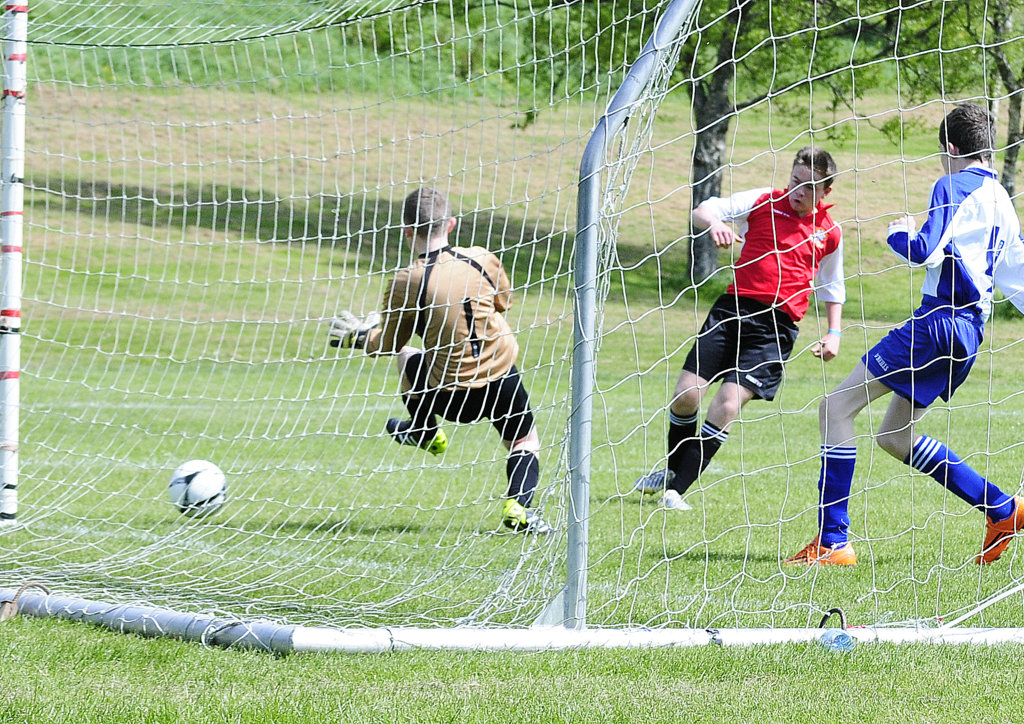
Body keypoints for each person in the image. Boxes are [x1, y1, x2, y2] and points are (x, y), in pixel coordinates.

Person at [787, 103, 1024, 567]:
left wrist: (899, 233)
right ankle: (1001, 509)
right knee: (895, 436)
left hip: (937, 323)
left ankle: (833, 541)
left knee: (835, 408)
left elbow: (924, 250)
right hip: (970, 333)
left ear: (951, 149)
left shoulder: (953, 184)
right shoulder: (1003, 201)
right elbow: (1016, 276)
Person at [329, 187, 552, 534]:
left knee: (407, 355)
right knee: (525, 442)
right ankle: (518, 505)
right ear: (450, 224)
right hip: (500, 378)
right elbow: (503, 302)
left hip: (448, 397)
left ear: (406, 231)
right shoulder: (481, 258)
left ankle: (424, 429)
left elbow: (387, 344)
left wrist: (359, 335)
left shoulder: (407, 280)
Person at [634, 146, 846, 510]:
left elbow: (832, 285)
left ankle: (676, 490)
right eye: (796, 181)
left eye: (810, 187)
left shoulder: (829, 232)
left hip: (775, 329)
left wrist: (833, 333)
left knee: (727, 403)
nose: (799, 191)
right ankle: (673, 472)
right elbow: (704, 209)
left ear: (826, 192)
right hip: (731, 311)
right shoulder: (762, 201)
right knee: (686, 395)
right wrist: (715, 223)